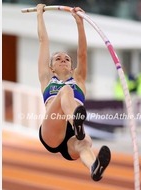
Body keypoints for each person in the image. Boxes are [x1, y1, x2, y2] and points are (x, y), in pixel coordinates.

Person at [36, 4, 111, 182]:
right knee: (65, 91)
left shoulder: (79, 80)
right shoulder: (47, 78)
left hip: (72, 138)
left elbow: (83, 54)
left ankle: (94, 167)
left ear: (71, 67)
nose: (63, 60)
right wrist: (40, 15)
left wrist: (79, 23)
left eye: (67, 59)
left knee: (84, 144)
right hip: (53, 130)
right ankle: (76, 123)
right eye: (58, 59)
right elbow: (43, 41)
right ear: (51, 67)